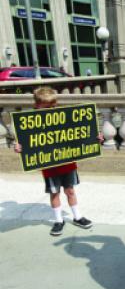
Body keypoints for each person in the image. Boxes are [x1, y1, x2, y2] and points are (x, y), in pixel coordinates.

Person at [14, 87, 95, 236]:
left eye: (53, 106)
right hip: (49, 166)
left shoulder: (64, 117)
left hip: (67, 162)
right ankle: (59, 220)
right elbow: (27, 142)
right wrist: (20, 148)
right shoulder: (29, 122)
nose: (51, 109)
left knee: (70, 190)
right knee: (55, 193)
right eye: (47, 106)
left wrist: (95, 138)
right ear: (37, 105)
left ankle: (77, 217)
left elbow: (79, 133)